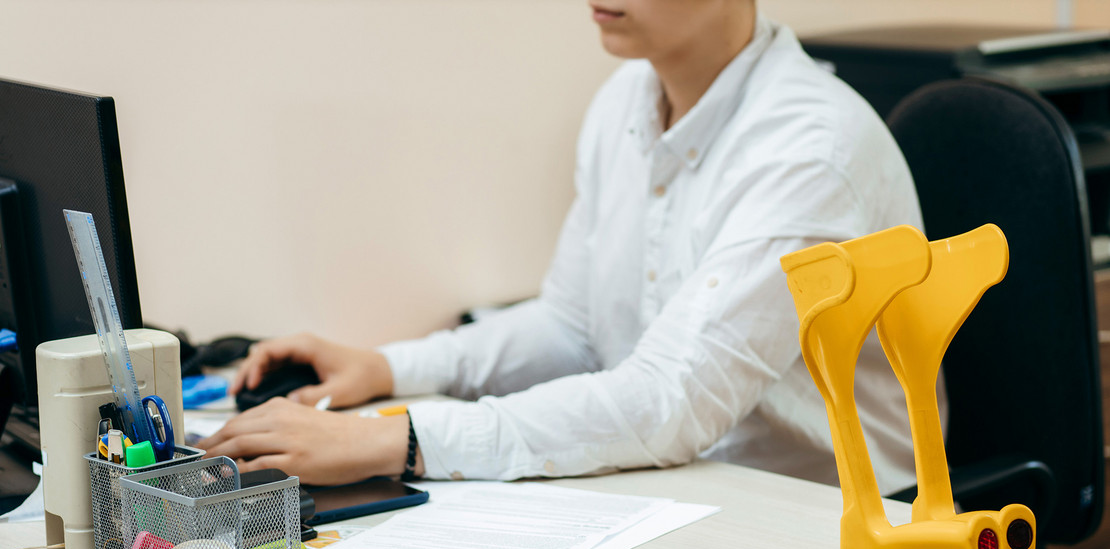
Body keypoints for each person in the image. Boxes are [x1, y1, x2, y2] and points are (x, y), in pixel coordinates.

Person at [200, 0, 929, 495]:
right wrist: (389, 367)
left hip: (815, 525)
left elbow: (670, 401)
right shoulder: (623, 103)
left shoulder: (810, 151)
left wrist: (395, 436)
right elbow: (572, 329)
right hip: (672, 485)